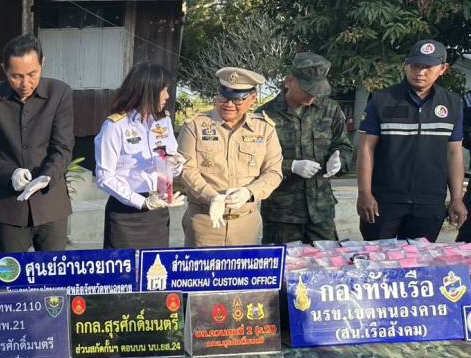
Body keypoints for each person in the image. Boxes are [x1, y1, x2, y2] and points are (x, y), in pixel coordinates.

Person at [358, 39, 466, 241]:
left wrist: (457, 198)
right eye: (415, 65)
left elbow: (454, 153)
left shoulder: (452, 104)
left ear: (443, 69)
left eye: (428, 67)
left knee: (420, 259)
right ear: (405, 65)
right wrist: (364, 193)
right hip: (384, 201)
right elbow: (366, 148)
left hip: (429, 202)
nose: (420, 72)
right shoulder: (382, 100)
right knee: (378, 258)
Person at [0, 34, 73, 253]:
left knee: (52, 271)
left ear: (42, 63)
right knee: (12, 271)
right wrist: (10, 173)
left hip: (51, 204)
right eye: (16, 76)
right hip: (11, 206)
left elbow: (63, 147)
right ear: (4, 69)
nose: (25, 83)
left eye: (32, 74)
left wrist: (47, 176)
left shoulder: (60, 93)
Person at [178, 67, 284, 247]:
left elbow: (273, 172)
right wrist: (212, 196)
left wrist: (249, 192)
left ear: (252, 99)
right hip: (205, 222)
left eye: (237, 99)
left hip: (246, 224)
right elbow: (186, 169)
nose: (228, 104)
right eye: (223, 97)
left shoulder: (264, 129)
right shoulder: (195, 126)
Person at [260, 52, 353, 244]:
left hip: (321, 211)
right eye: (307, 89)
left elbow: (343, 144)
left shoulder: (330, 109)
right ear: (289, 81)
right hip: (282, 214)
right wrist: (291, 166)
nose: (312, 95)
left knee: (328, 260)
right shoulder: (265, 115)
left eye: (317, 89)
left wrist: (339, 159)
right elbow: (255, 160)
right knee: (284, 261)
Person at [93, 62, 186, 249]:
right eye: (163, 90)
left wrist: (175, 164)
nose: (167, 96)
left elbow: (168, 165)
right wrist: (142, 202)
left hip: (158, 210)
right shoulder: (115, 126)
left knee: (156, 266)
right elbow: (104, 177)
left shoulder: (163, 121)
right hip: (125, 213)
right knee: (123, 267)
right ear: (147, 90)